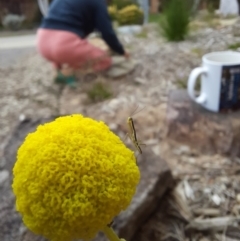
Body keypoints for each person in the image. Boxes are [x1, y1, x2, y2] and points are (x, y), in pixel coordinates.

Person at [37, 0, 129, 86]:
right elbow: (107, 33)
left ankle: (58, 70)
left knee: (68, 53)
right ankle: (70, 73)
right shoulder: (97, 2)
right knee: (104, 60)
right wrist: (121, 51)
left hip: (42, 43)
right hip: (64, 45)